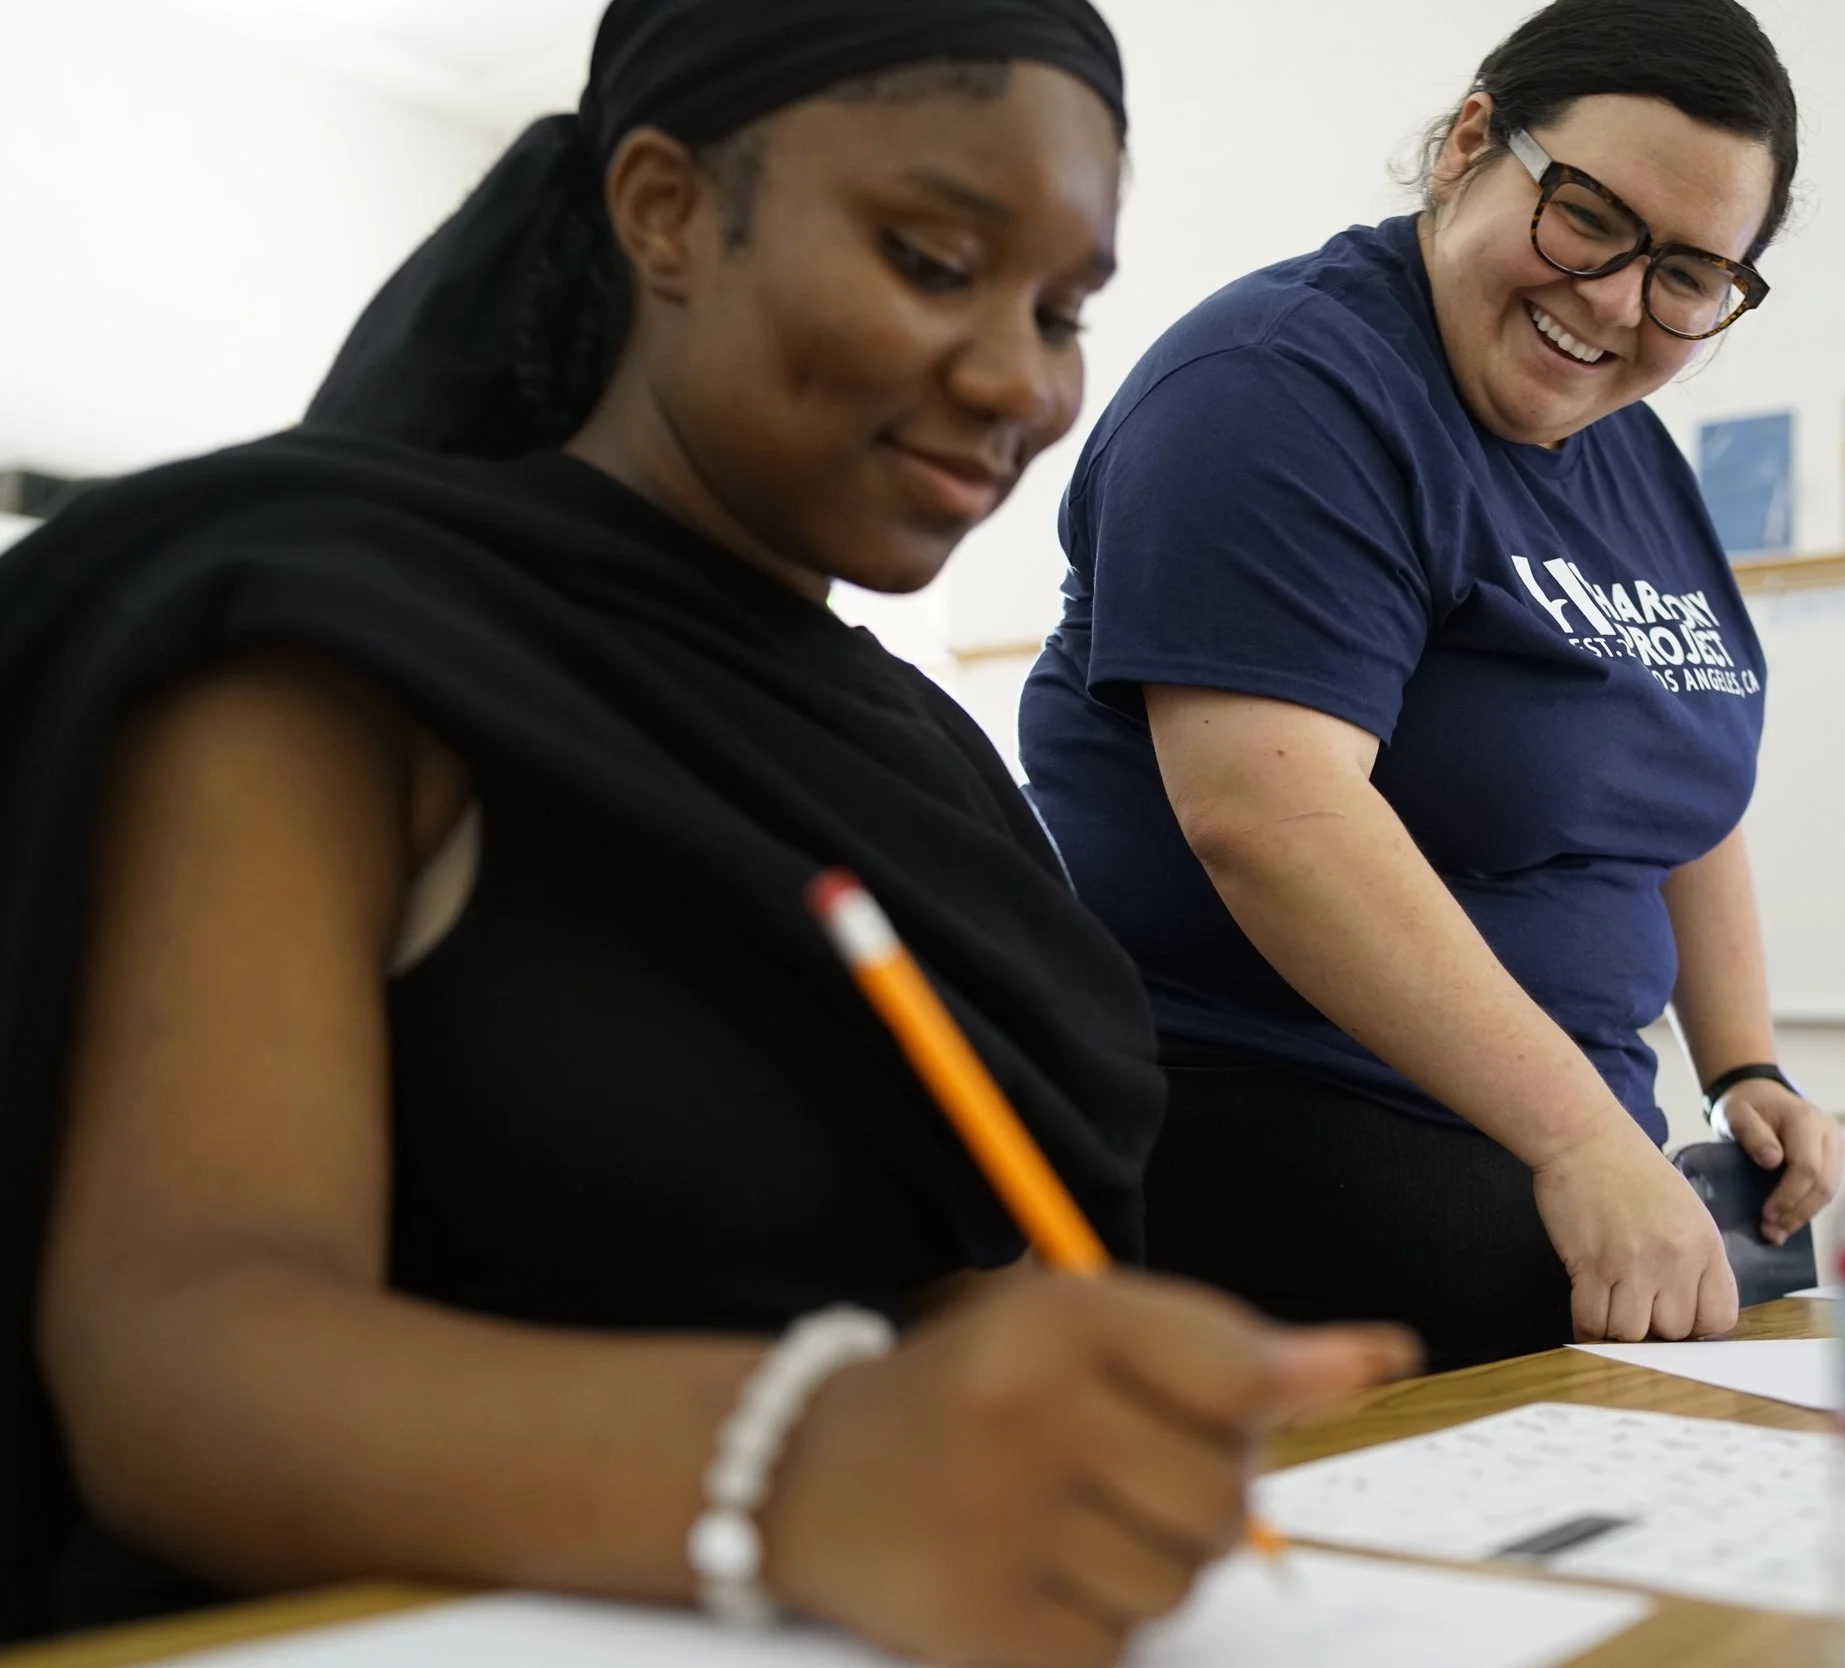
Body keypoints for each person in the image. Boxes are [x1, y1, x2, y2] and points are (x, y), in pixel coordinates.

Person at [0, 3, 1416, 1662]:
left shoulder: (928, 757)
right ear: (666, 209)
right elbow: (176, 1359)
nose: (1020, 381)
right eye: (933, 261)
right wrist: (819, 1462)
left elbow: (971, 1261)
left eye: (1061, 311)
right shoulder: (332, 651)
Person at [1020, 0, 1844, 1371]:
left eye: (1692, 277)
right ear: (1470, 145)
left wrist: (1743, 1065)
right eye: (1590, 218)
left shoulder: (1629, 453)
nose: (1617, 302)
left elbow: (1676, 781)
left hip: (1545, 1143)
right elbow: (1274, 819)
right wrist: (1578, 1141)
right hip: (1279, 1118)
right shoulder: (1278, 388)